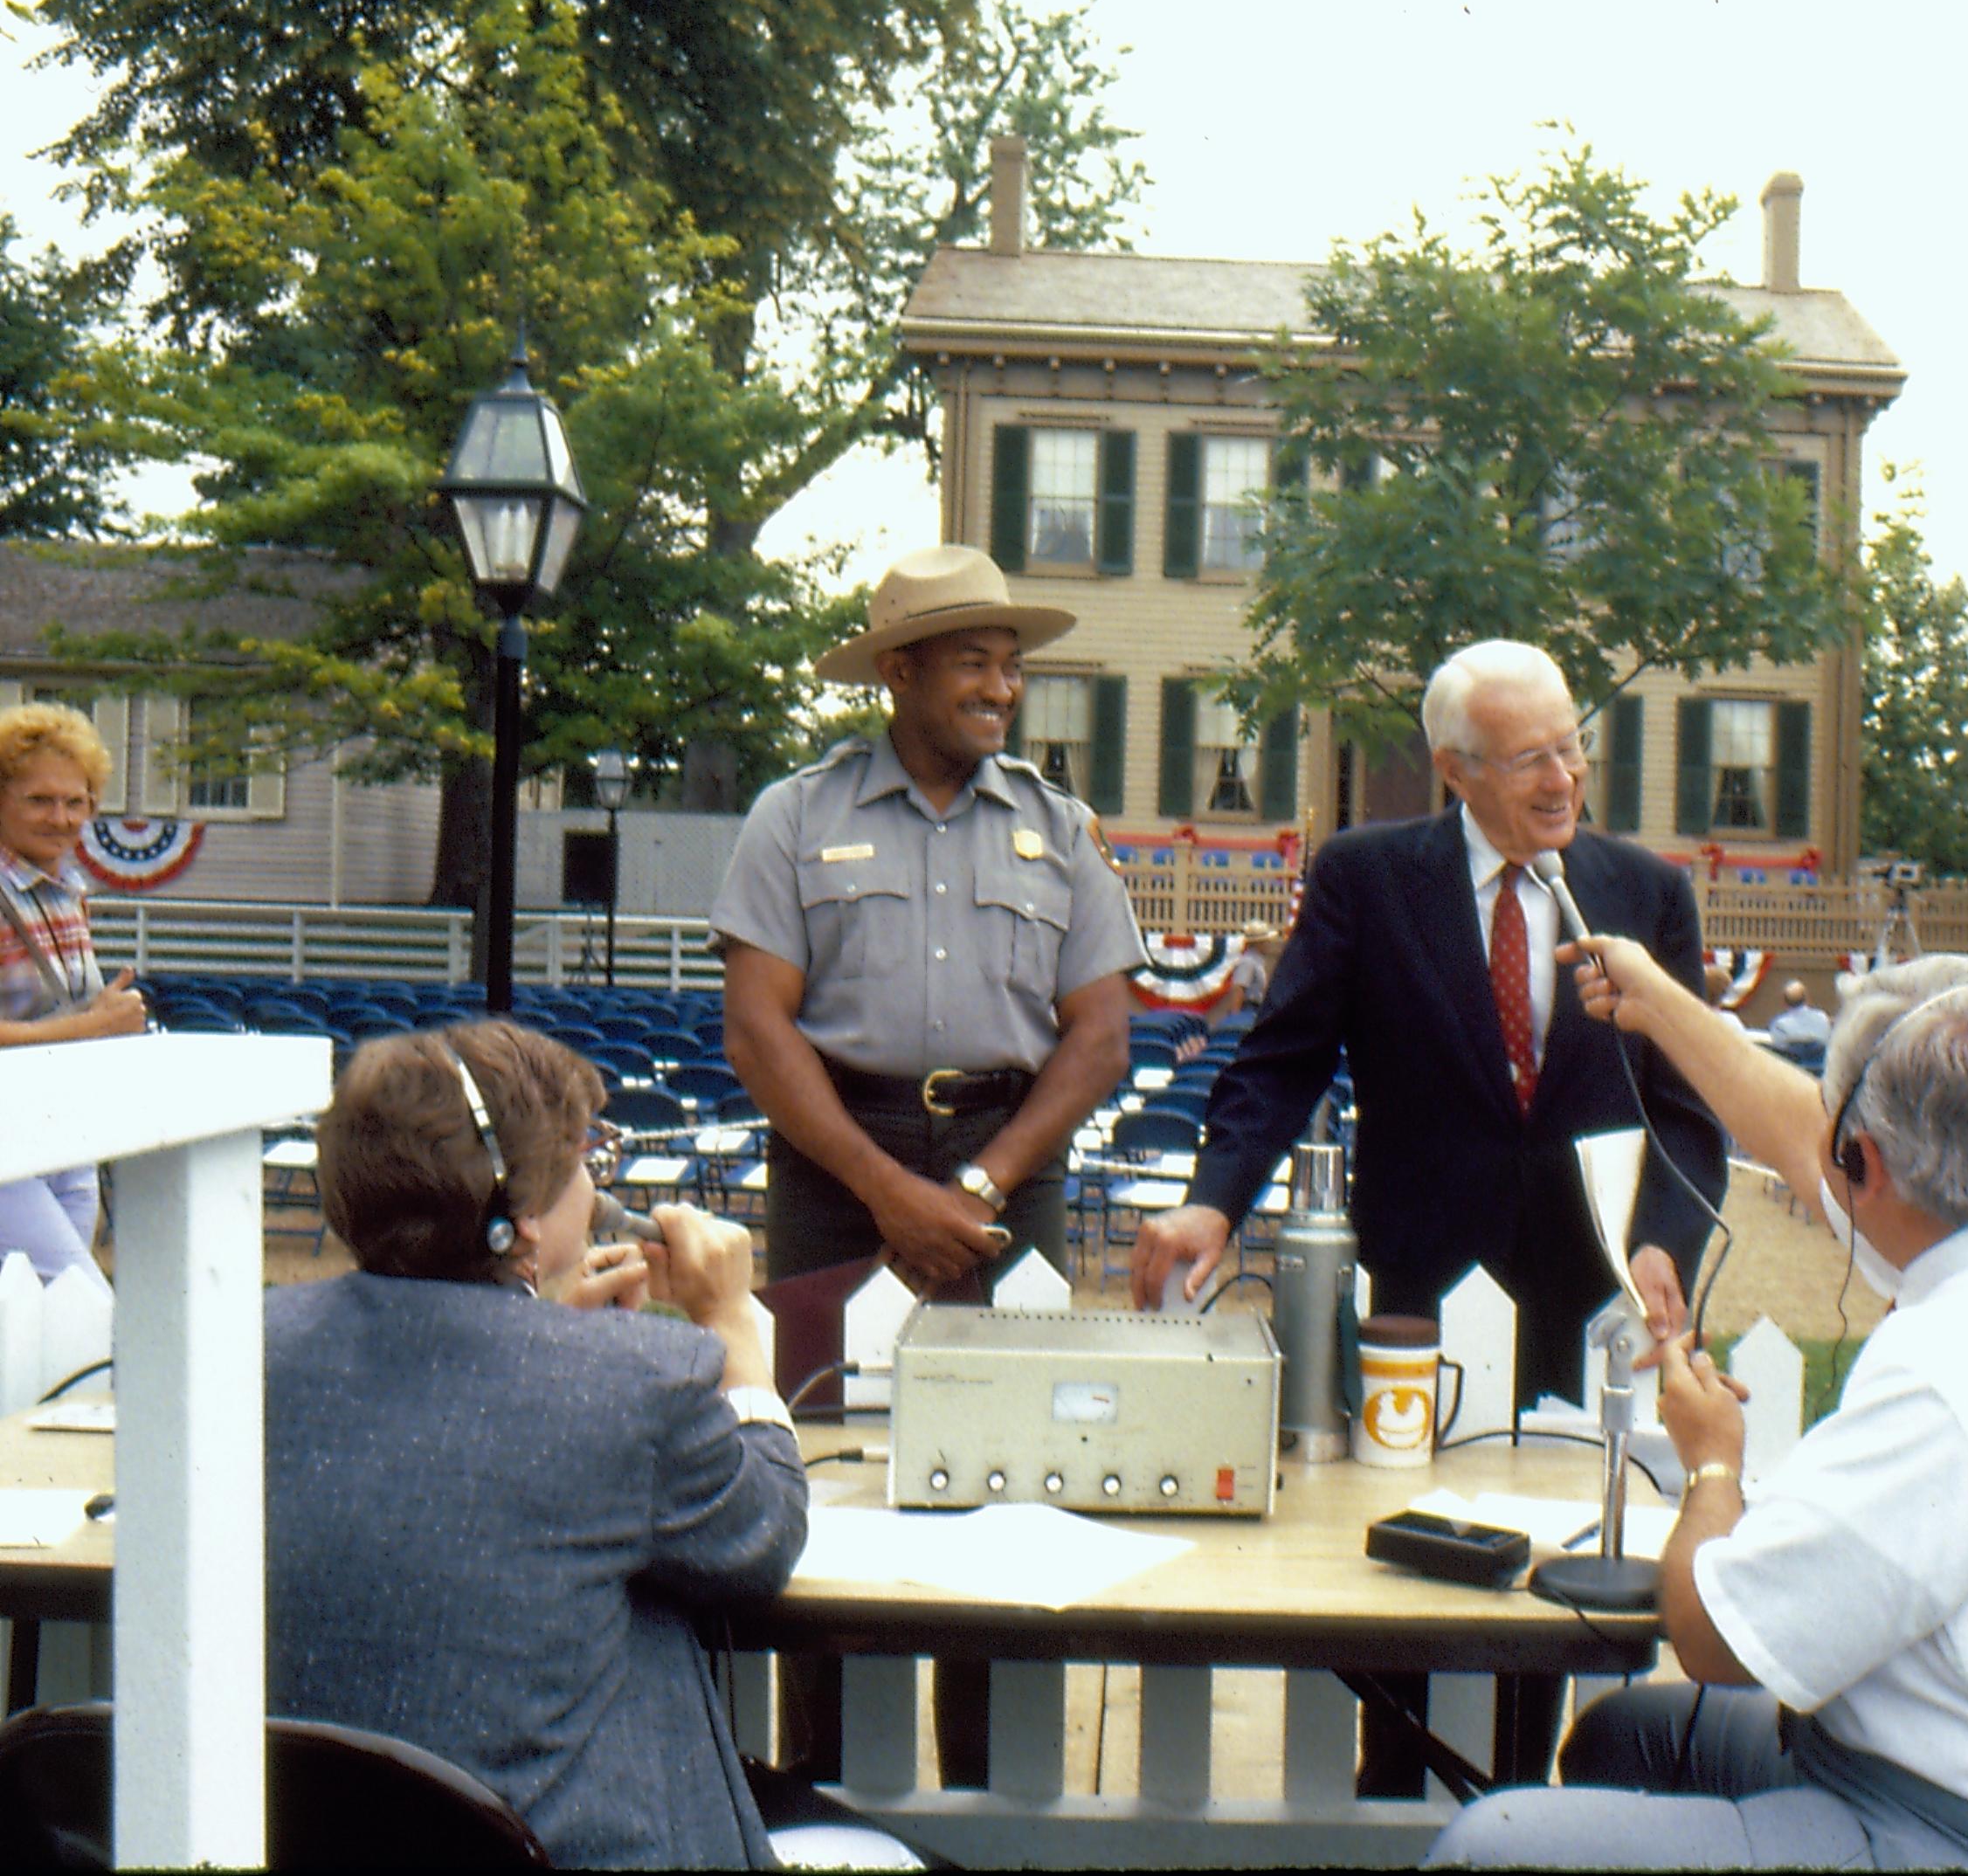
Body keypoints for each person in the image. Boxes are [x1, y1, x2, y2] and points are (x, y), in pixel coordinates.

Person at [1428, 948, 1968, 1870]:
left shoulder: (1948, 1372)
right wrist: (1661, 1004)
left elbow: (1716, 1641)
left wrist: (1712, 1461)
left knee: (1491, 1846)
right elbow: (1815, 1131)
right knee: (1624, 1739)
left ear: (1867, 1161)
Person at [710, 541, 1143, 1786]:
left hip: (1013, 1169)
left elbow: (1102, 1033)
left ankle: (994, 1792)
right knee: (830, 1465)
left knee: (1018, 1475)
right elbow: (757, 1029)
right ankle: (821, 1784)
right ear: (897, 672)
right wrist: (890, 1188)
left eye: (1010, 666)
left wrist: (983, 1184)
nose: (1001, 687)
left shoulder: (1060, 830)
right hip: (839, 1155)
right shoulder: (796, 818)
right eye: (972, 661)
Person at [263, 1021, 811, 1869]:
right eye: (585, 1159)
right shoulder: (636, 1378)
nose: (594, 1184)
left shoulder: (243, 1348)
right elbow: (762, 1536)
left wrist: (550, 1339)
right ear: (516, 1220)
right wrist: (734, 1323)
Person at [1129, 638, 1726, 1404]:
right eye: (1527, 760)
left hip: (1602, 1301)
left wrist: (1663, 1245)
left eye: (1571, 746)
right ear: (1455, 770)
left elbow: (1688, 1106)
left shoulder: (1652, 896)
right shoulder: (1366, 880)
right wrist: (1214, 1199)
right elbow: (1282, 1064)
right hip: (1418, 1298)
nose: (1562, 780)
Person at [0, 702, 151, 1279]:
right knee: (82, 1305)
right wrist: (89, 1026)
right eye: (39, 799)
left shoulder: (67, 889)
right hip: (5, 1143)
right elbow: (71, 1025)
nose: (60, 817)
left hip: (63, 1129)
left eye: (76, 801)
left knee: (38, 1322)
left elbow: (64, 1009)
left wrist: (109, 1013)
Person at [1767, 978, 1831, 1055]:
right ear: (1807, 998)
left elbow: (1778, 1049)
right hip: (1819, 1066)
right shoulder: (1822, 1018)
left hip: (1789, 1065)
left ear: (1784, 1001)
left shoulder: (1779, 1025)